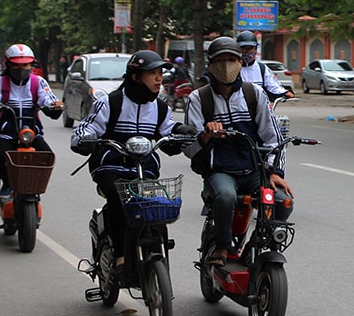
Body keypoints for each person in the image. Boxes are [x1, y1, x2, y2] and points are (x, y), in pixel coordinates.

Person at [70, 50, 196, 272]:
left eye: (160, 73)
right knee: (119, 199)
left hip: (144, 168)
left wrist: (181, 131)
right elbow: (86, 127)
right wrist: (84, 139)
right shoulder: (110, 103)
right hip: (110, 165)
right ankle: (119, 254)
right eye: (153, 73)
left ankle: (155, 247)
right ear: (136, 77)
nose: (159, 78)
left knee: (153, 205)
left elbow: (168, 130)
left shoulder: (159, 107)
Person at [182, 36, 294, 267]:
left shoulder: (254, 94)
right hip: (219, 171)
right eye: (219, 60)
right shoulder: (198, 98)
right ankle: (223, 246)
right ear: (210, 65)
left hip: (253, 170)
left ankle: (255, 245)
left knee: (283, 201)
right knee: (225, 196)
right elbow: (188, 148)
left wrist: (275, 173)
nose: (226, 66)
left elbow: (274, 139)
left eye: (231, 59)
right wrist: (205, 135)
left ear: (240, 62)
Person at [0, 43, 63, 197]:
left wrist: (55, 106)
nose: (21, 69)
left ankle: (35, 184)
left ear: (31, 64)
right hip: (6, 130)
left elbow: (48, 99)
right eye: (17, 66)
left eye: (25, 65)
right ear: (8, 65)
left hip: (31, 131)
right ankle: (7, 184)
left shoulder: (38, 82)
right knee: (0, 155)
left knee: (46, 155)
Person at [236, 30, 295, 102]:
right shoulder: (233, 68)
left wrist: (284, 93)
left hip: (259, 107)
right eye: (244, 48)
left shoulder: (262, 68)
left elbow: (273, 85)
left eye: (250, 48)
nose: (247, 51)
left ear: (255, 49)